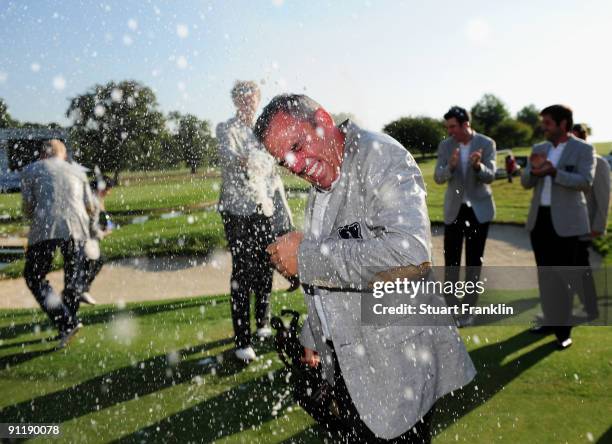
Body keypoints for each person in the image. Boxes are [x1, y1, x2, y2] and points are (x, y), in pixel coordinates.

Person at [254, 94, 475, 443]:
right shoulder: (321, 181)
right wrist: (313, 338)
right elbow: (329, 282)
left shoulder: (381, 157)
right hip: (349, 358)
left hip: (396, 364)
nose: (294, 164)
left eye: (296, 145)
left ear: (323, 120)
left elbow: (409, 257)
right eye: (284, 160)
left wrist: (306, 258)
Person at [216, 81, 293, 363]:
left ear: (258, 100)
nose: (248, 105)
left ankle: (262, 322)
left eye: (253, 100)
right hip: (236, 211)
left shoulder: (265, 133)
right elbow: (228, 156)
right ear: (236, 102)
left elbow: (274, 180)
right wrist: (250, 158)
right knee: (243, 272)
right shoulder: (226, 128)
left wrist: (285, 215)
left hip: (264, 209)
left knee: (264, 266)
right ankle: (242, 340)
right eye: (243, 100)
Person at [521, 105, 595, 349]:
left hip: (568, 224)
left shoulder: (583, 149)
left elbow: (585, 182)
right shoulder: (539, 149)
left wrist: (554, 172)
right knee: (546, 275)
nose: (543, 127)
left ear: (564, 124)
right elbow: (525, 182)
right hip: (540, 220)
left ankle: (564, 332)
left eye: (548, 123)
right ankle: (550, 320)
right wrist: (533, 169)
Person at [21, 139, 95, 349]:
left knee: (34, 277)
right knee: (73, 280)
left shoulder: (30, 170)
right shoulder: (77, 171)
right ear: (63, 154)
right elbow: (89, 206)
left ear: (43, 154)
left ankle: (66, 322)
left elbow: (28, 207)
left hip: (46, 226)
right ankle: (68, 322)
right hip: (78, 228)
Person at [434, 106, 496, 326]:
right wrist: (450, 166)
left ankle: (468, 311)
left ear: (465, 124)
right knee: (451, 261)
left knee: (473, 263)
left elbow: (491, 176)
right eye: (448, 127)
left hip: (479, 210)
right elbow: (438, 178)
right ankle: (450, 309)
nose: (450, 131)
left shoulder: (487, 143)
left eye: (453, 126)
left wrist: (478, 166)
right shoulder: (445, 145)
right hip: (454, 210)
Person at [571, 123, 609, 320]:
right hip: (567, 227)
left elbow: (603, 199)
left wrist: (598, 227)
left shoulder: (599, 163)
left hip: (586, 228)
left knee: (580, 268)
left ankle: (590, 308)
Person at [80, 175, 116, 306]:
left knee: (94, 261)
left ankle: (80, 290)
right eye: (108, 189)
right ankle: (80, 290)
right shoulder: (93, 201)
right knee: (97, 260)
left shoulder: (91, 197)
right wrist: (103, 234)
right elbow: (92, 228)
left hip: (81, 238)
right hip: (83, 239)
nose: (109, 193)